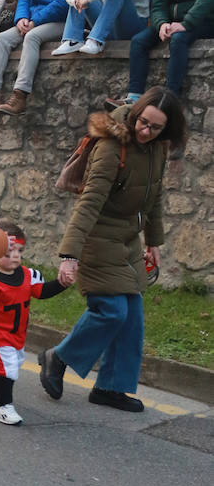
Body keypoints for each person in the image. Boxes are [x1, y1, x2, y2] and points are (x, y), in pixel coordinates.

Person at [38, 88, 186, 412]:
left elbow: (155, 198)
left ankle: (110, 387)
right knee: (111, 310)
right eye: (143, 122)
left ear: (167, 130)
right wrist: (69, 256)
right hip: (97, 236)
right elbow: (88, 203)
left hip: (128, 240)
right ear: (136, 114)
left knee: (132, 316)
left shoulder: (158, 148)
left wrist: (155, 242)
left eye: (155, 127)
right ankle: (57, 357)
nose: (145, 131)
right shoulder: (110, 146)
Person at [0, 221, 68, 425]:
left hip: (17, 336)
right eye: (8, 253)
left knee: (8, 365)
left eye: (19, 251)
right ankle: (2, 407)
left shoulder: (27, 276)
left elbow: (41, 291)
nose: (15, 256)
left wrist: (61, 284)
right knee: (8, 370)